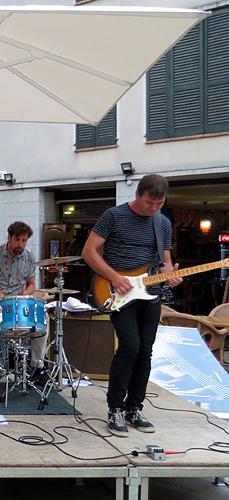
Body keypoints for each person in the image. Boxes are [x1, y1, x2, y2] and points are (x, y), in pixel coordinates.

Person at [82, 174, 182, 437]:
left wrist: (171, 276)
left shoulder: (162, 223)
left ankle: (134, 408)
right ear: (138, 194)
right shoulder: (113, 216)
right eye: (150, 203)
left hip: (151, 293)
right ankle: (115, 408)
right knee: (129, 347)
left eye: (159, 204)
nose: (154, 208)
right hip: (118, 292)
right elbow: (89, 251)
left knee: (145, 351)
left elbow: (165, 262)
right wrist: (115, 277)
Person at [0, 222, 47, 378]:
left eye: (24, 240)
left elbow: (32, 284)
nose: (21, 244)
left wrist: (25, 293)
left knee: (43, 317)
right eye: (17, 239)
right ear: (9, 238)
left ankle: (37, 365)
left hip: (17, 301)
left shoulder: (29, 257)